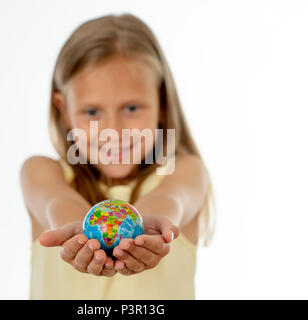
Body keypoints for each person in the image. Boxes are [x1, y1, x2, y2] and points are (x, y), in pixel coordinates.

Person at [20, 13, 215, 299]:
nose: (113, 130)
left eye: (132, 108)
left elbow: (170, 200)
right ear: (63, 109)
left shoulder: (183, 170)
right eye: (92, 112)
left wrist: (147, 226)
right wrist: (83, 237)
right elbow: (57, 203)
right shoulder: (41, 172)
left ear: (160, 103)